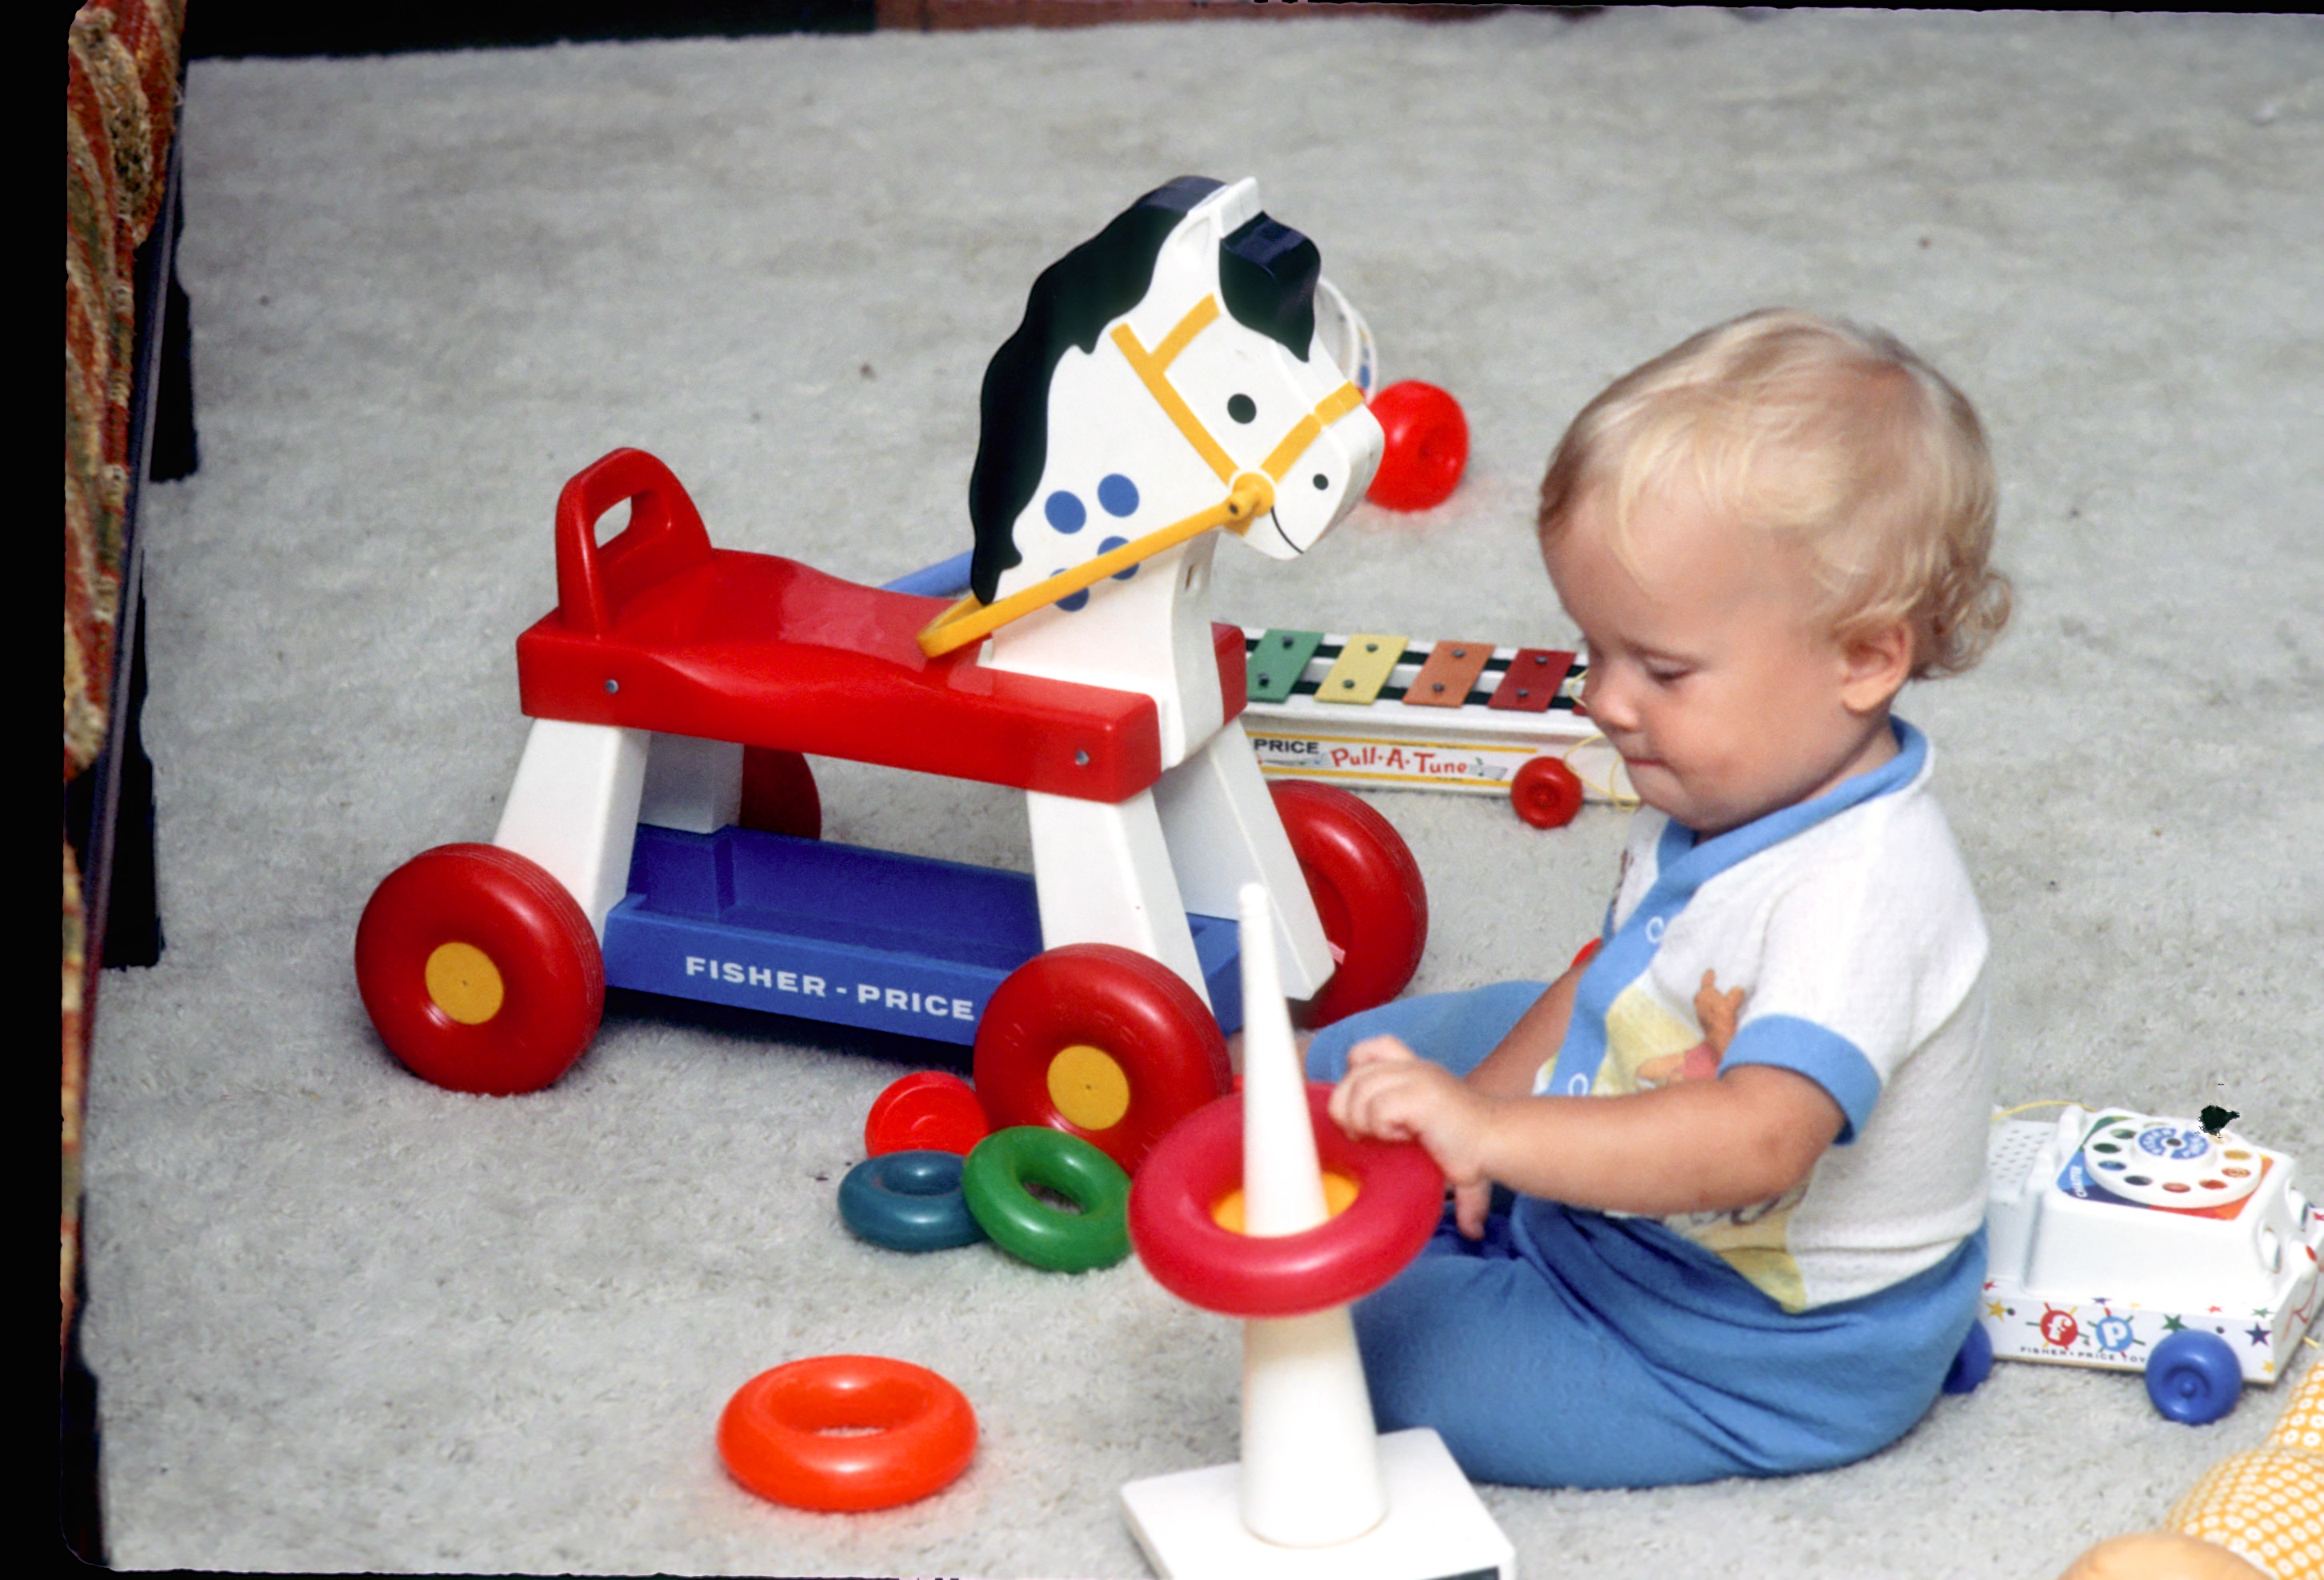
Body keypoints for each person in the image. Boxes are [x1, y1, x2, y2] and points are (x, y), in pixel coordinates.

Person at [1312, 309, 2013, 1488]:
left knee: (1357, 1341)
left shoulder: (1861, 892)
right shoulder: (1727, 778)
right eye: (1597, 651)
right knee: (1456, 1034)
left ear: (1864, 657)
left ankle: (1417, 1209)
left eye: (1663, 669)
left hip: (1738, 1346)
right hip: (1640, 1172)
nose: (1605, 702)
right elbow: (1611, 977)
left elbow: (1757, 1142)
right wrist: (1470, 1114)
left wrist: (1488, 1136)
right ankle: (1298, 1090)